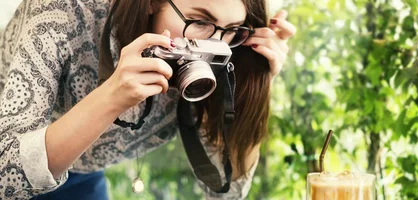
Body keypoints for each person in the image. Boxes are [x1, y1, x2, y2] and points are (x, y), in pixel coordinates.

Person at [0, 0, 296, 199]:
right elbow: (7, 175)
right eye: (199, 21)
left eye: (231, 31)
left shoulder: (231, 49)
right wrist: (111, 98)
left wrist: (255, 78)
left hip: (84, 176)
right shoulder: (62, 9)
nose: (212, 45)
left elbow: (226, 190)